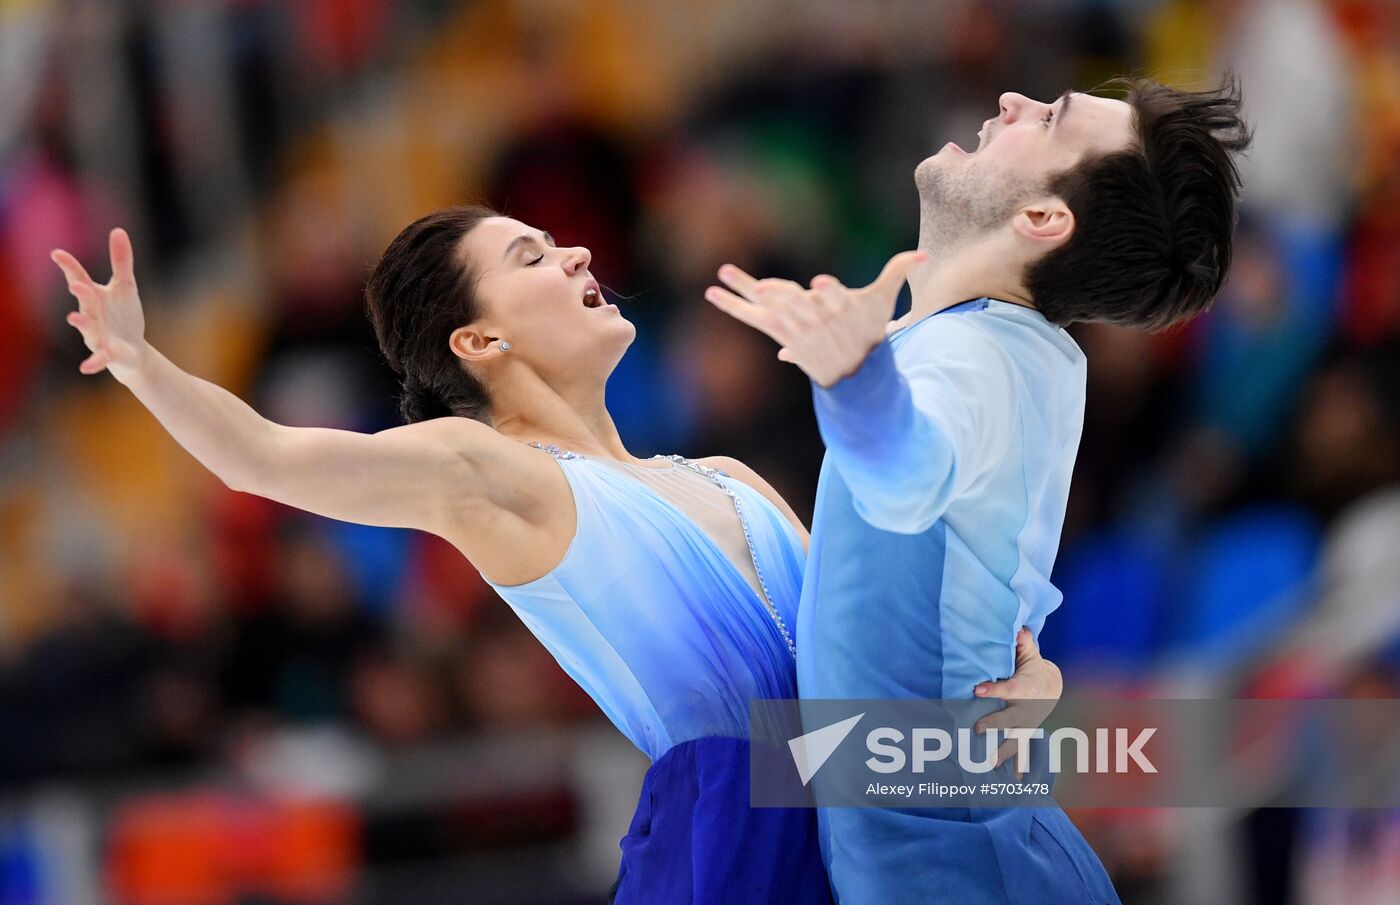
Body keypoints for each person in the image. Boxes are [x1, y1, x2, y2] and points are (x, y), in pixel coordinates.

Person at [51, 206, 1064, 904]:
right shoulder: (494, 474)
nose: (577, 252)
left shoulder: (731, 475)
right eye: (532, 258)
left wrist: (1012, 686)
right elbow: (264, 458)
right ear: (479, 342)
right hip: (733, 833)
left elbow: (867, 654)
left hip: (855, 796)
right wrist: (141, 362)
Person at [708, 75, 1252, 904]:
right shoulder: (1012, 352)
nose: (1010, 100)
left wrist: (855, 379)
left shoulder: (971, 361)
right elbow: (982, 601)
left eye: (1052, 117)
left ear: (1043, 220)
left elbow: (905, 482)